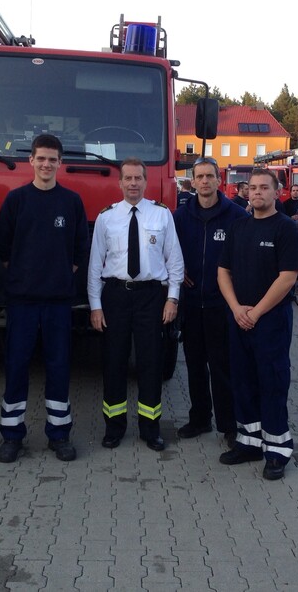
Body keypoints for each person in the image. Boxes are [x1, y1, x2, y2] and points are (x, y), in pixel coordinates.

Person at [0, 134, 88, 464]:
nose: (47, 164)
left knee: (59, 367)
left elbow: (79, 248)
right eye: (41, 158)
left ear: (60, 164)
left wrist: (61, 273)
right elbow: (3, 248)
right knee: (16, 367)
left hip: (57, 303)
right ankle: (11, 436)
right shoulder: (17, 200)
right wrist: (23, 274)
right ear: (31, 161)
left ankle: (59, 435)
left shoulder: (72, 202)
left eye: (53, 159)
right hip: (22, 302)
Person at [88, 158, 184, 451]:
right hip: (115, 296)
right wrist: (95, 305)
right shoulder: (107, 217)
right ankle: (114, 428)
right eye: (127, 178)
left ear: (145, 181)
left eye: (138, 178)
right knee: (113, 362)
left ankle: (150, 428)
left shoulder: (162, 215)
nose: (132, 183)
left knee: (150, 362)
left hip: (151, 297)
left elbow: (175, 260)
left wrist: (172, 298)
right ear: (119, 183)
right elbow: (95, 265)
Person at [217, 168, 298, 481]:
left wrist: (256, 313)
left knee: (272, 382)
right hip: (239, 318)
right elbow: (222, 271)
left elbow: (288, 277)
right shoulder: (238, 226)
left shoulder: (285, 229)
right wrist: (236, 308)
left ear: (277, 192)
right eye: (252, 188)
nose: (257, 193)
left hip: (271, 322)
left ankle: (277, 451)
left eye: (264, 187)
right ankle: (249, 442)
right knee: (242, 381)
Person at [173, 158, 248, 447]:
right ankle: (200, 418)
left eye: (210, 176)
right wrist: (179, 275)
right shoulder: (180, 216)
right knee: (194, 364)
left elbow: (243, 258)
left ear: (219, 180)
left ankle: (228, 424)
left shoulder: (236, 216)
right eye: (199, 176)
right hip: (191, 304)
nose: (204, 181)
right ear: (192, 181)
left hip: (221, 305)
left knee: (222, 366)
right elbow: (170, 253)